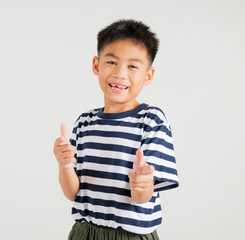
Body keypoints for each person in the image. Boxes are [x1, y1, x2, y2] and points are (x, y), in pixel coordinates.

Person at [53, 19, 179, 240]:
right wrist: (64, 165)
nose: (120, 73)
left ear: (148, 75)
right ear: (96, 65)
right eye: (111, 62)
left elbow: (142, 198)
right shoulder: (84, 122)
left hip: (129, 235)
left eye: (132, 66)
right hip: (85, 232)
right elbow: (73, 193)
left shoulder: (151, 120)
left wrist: (143, 183)